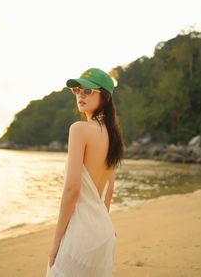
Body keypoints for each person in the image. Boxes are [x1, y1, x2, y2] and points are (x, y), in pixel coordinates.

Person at [46, 67, 124, 276]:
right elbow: (107, 193)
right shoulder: (113, 137)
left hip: (80, 235)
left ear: (105, 96)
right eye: (77, 91)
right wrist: (100, 229)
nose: (80, 95)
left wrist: (56, 244)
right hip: (103, 234)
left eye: (88, 91)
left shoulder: (79, 129)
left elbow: (72, 189)